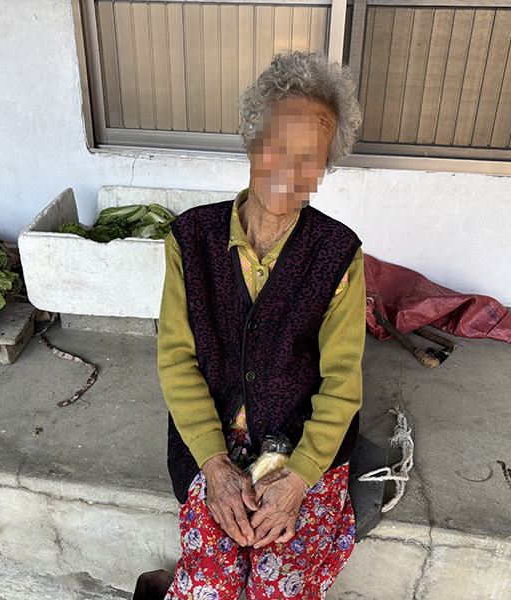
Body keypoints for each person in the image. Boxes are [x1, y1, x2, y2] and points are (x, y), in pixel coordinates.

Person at [157, 51, 366, 600]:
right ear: (252, 141)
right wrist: (214, 463)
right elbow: (177, 360)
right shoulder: (190, 239)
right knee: (210, 581)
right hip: (213, 440)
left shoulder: (338, 252)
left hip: (301, 442)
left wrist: (298, 477)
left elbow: (342, 381)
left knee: (281, 582)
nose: (290, 167)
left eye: (310, 156)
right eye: (279, 143)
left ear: (322, 171)